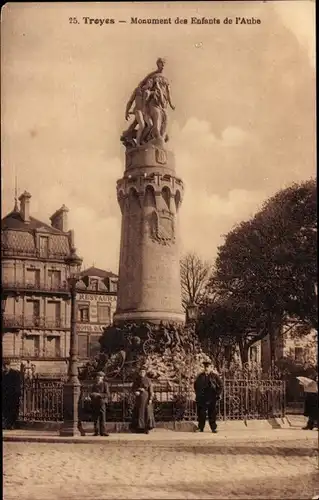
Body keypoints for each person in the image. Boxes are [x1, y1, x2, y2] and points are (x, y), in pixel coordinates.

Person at [194, 361, 223, 433]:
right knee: (201, 413)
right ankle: (200, 428)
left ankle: (213, 428)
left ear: (211, 368)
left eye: (208, 367)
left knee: (212, 413)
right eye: (205, 367)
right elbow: (196, 385)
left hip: (212, 397)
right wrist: (198, 394)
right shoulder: (200, 376)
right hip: (202, 398)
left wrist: (217, 394)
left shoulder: (215, 376)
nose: (206, 368)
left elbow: (221, 385)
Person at [130, 367, 155, 434]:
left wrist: (150, 399)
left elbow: (151, 390)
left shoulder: (148, 380)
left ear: (145, 373)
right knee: (138, 412)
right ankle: (139, 428)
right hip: (138, 399)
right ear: (139, 373)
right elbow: (133, 389)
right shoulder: (136, 380)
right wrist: (135, 391)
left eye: (143, 372)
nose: (142, 373)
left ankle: (146, 428)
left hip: (146, 397)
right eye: (141, 372)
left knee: (146, 412)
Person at [90, 371, 110, 436]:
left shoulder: (105, 384)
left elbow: (107, 394)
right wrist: (92, 395)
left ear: (103, 377)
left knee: (102, 417)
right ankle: (96, 431)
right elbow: (91, 393)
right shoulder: (94, 385)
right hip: (95, 402)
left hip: (102, 402)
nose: (99, 378)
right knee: (95, 417)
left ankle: (103, 431)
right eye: (98, 376)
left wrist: (98, 394)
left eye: (100, 376)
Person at [2, 360, 21, 430]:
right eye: (4, 366)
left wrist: (17, 394)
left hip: (13, 396)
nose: (5, 367)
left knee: (13, 411)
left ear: (9, 365)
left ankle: (12, 424)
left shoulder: (15, 373)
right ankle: (6, 424)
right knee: (5, 410)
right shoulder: (3, 374)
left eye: (7, 365)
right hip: (5, 396)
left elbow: (17, 385)